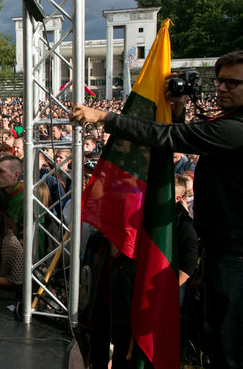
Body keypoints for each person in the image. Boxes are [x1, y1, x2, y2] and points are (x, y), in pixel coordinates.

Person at [71, 51, 243, 368]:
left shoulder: (236, 130)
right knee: (216, 342)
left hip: (235, 258)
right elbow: (177, 135)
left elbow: (168, 137)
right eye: (219, 80)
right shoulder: (228, 124)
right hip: (221, 251)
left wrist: (105, 118)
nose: (221, 88)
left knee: (231, 348)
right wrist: (177, 110)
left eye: (232, 82)